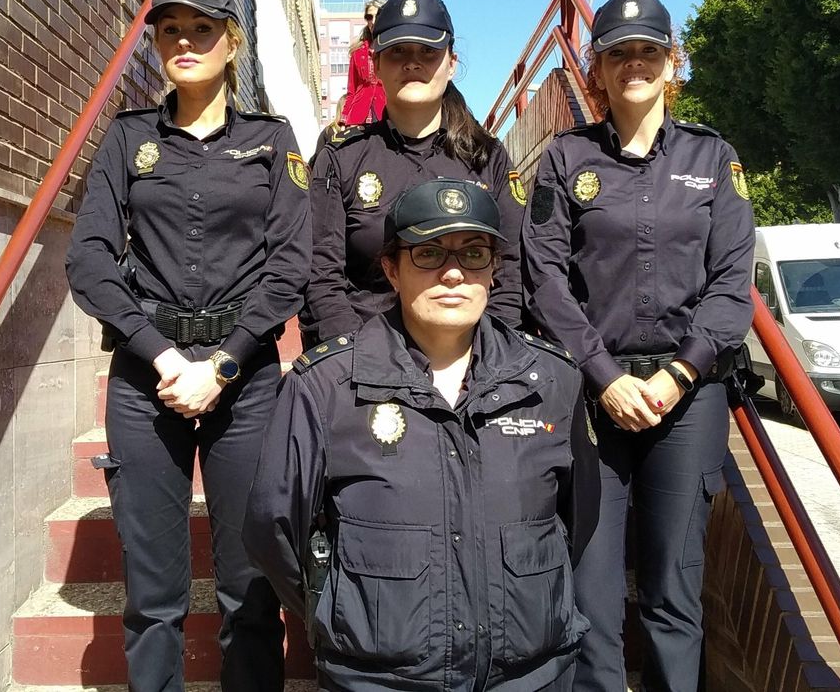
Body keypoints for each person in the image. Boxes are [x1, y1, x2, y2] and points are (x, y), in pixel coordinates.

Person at [246, 179, 597, 691]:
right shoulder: (326, 386)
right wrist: (339, 611)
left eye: (474, 253)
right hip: (379, 680)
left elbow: (578, 519)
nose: (453, 273)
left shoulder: (552, 381)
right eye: (428, 253)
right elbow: (271, 528)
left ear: (494, 270)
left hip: (528, 676)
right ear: (392, 269)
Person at [64, 0, 310, 692]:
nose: (184, 42)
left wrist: (223, 364)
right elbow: (89, 259)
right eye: (169, 29)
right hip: (149, 377)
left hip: (247, 378)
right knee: (152, 594)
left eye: (201, 29)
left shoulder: (271, 141)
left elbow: (291, 265)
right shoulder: (128, 137)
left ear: (231, 44)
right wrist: (163, 355)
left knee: (251, 587)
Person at [521, 0, 755, 691]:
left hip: (688, 397)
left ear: (671, 62)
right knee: (590, 593)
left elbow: (731, 283)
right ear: (596, 68)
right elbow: (545, 281)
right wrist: (605, 376)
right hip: (594, 396)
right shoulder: (566, 159)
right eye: (617, 53)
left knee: (673, 589)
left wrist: (679, 375)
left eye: (648, 51)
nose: (634, 64)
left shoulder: (713, 157)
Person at [302, 0, 528, 346]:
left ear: (451, 63)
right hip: (364, 352)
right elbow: (322, 274)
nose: (412, 63)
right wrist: (359, 357)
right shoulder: (341, 158)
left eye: (427, 51)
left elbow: (511, 269)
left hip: (471, 357)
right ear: (376, 64)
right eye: (397, 52)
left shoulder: (487, 157)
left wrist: (488, 355)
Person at [341, 0, 388, 125]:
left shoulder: (396, 49)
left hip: (388, 113)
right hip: (359, 115)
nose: (373, 21)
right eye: (369, 17)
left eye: (377, 16)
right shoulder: (357, 52)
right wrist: (344, 119)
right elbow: (351, 90)